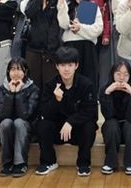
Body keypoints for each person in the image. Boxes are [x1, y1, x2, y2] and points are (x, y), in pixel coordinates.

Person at [35, 46, 98, 177]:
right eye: (63, 65)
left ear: (76, 65)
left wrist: (71, 122)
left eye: (70, 65)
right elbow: (44, 113)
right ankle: (48, 161)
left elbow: (91, 112)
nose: (67, 69)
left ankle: (83, 163)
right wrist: (56, 100)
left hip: (77, 130)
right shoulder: (50, 85)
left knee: (90, 126)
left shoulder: (86, 84)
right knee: (43, 125)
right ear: (57, 66)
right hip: (58, 131)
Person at [0, 57, 39, 177]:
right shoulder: (2, 89)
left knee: (19, 122)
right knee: (6, 123)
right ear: (8, 72)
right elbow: (2, 115)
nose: (16, 73)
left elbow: (25, 115)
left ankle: (20, 163)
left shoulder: (33, 89)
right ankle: (7, 163)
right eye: (13, 69)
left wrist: (19, 93)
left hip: (26, 127)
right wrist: (10, 93)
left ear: (25, 72)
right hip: (8, 126)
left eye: (19, 69)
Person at [100, 60, 131, 176]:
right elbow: (108, 115)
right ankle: (110, 163)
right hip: (113, 131)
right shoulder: (105, 89)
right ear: (112, 74)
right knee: (111, 125)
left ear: (130, 76)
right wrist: (107, 93)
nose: (121, 78)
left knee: (130, 126)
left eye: (126, 74)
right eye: (118, 74)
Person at [57, 0, 103, 88]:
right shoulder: (68, 7)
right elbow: (64, 25)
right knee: (70, 80)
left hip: (87, 48)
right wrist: (62, 8)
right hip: (70, 47)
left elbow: (98, 29)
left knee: (88, 79)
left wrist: (80, 28)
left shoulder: (90, 5)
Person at [22, 0, 62, 86]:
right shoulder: (33, 1)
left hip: (49, 50)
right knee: (33, 82)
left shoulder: (56, 3)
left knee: (49, 82)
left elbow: (55, 28)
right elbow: (29, 13)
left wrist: (51, 50)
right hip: (32, 49)